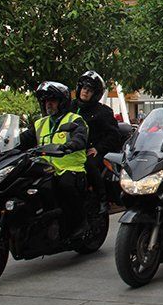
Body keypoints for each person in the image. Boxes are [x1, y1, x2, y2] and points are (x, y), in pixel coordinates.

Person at [18, 82, 89, 238]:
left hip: (69, 167)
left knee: (65, 184)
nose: (48, 104)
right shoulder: (40, 123)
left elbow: (80, 138)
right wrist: (3, 144)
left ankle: (79, 223)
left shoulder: (75, 120)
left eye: (52, 100)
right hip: (43, 168)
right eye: (45, 101)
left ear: (62, 102)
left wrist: (69, 145)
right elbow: (21, 140)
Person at [70, 71, 121, 212]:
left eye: (90, 90)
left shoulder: (103, 112)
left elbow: (114, 135)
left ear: (95, 94)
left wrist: (98, 148)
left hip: (89, 151)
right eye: (84, 88)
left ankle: (102, 199)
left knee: (89, 164)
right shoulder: (69, 107)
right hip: (68, 149)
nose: (85, 92)